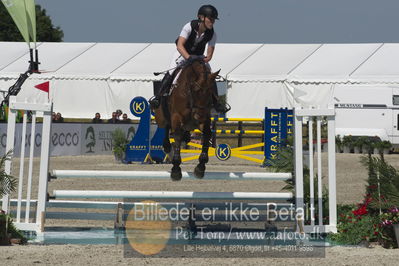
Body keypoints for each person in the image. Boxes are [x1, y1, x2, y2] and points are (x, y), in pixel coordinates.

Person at [149, 5, 229, 113]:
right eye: (210, 18)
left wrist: (204, 60)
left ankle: (216, 103)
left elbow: (209, 54)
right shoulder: (189, 26)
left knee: (209, 74)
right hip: (182, 53)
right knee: (172, 71)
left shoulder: (212, 34)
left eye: (214, 19)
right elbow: (180, 45)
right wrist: (188, 57)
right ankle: (158, 97)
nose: (213, 21)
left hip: (198, 56)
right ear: (201, 17)